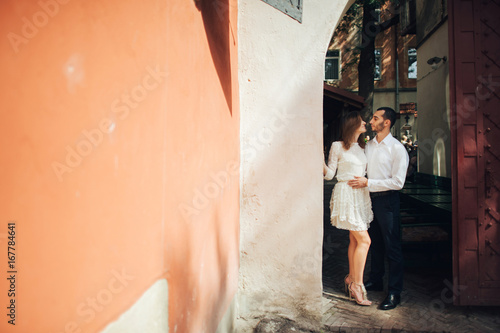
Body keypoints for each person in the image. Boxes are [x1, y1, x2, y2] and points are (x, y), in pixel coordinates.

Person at [348, 107, 409, 310]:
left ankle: (394, 292)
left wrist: (369, 183)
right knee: (374, 243)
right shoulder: (369, 146)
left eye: (375, 118)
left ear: (387, 123)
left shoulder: (397, 149)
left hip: (388, 202)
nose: (371, 121)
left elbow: (398, 182)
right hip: (368, 199)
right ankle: (376, 280)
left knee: (392, 247)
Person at [323, 111, 373, 306]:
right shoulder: (337, 146)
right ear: (352, 124)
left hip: (361, 196)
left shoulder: (363, 147)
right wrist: (320, 160)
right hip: (346, 194)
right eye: (361, 122)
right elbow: (329, 175)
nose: (365, 123)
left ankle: (351, 279)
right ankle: (357, 285)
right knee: (365, 240)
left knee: (354, 239)